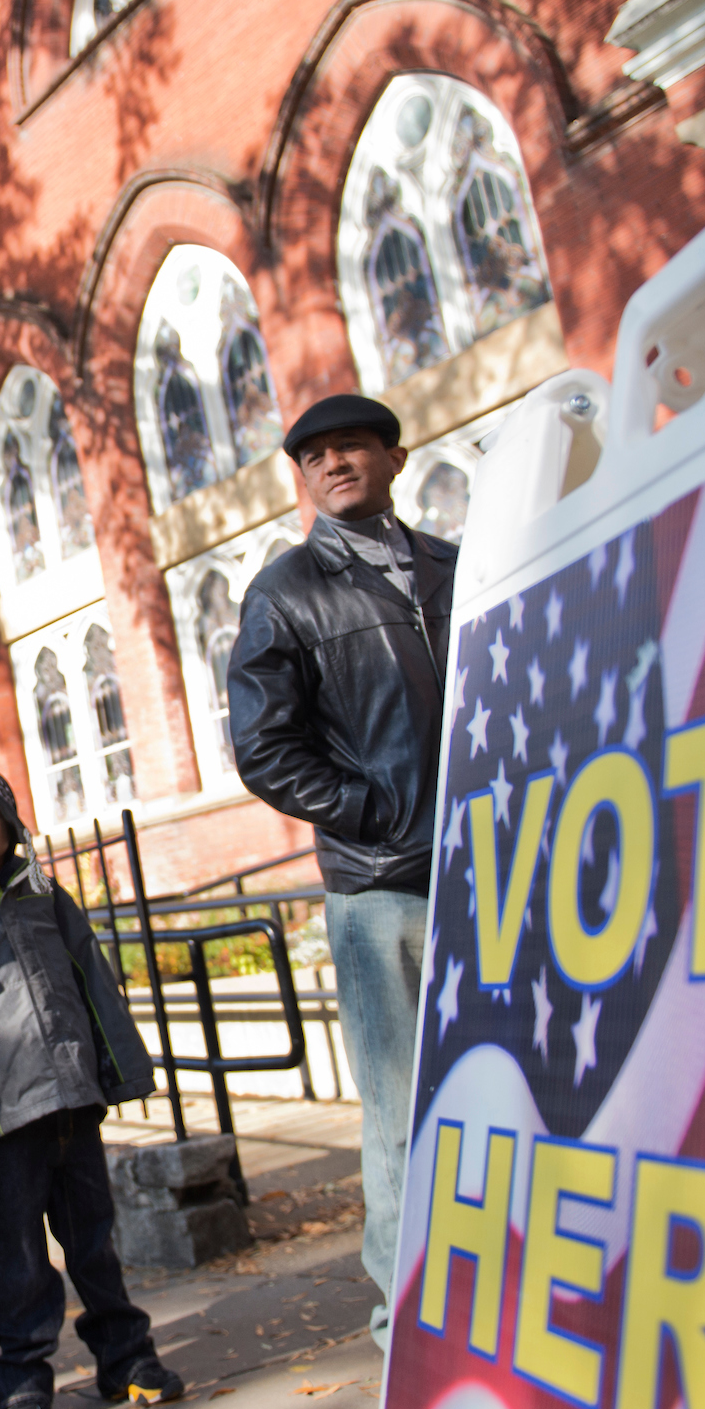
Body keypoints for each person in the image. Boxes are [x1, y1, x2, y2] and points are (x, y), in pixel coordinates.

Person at [225, 392, 455, 1351]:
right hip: (381, 888)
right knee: (402, 1109)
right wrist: (376, 813)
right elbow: (264, 747)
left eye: (351, 446)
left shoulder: (455, 563)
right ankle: (405, 1316)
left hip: (493, 863)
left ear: (394, 458)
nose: (331, 462)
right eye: (312, 454)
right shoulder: (284, 590)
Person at [0, 744, 180, 1409]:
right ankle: (22, 1380)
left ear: (13, 817)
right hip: (5, 1117)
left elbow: (92, 982)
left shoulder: (46, 895)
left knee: (95, 1240)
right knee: (22, 1254)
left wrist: (119, 1070)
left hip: (73, 1102)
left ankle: (126, 1356)